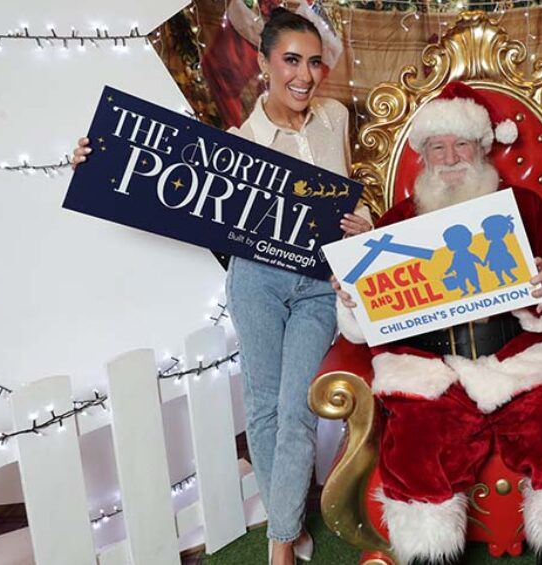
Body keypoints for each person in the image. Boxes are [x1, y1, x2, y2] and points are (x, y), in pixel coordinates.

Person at [72, 8, 371, 565]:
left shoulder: (335, 118)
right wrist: (96, 161)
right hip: (257, 281)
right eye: (290, 61)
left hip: (315, 286)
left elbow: (348, 201)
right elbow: (156, 178)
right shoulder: (239, 143)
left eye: (313, 62)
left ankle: (278, 541)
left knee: (296, 406)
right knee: (261, 406)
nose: (303, 75)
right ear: (263, 63)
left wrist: (363, 222)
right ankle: (289, 528)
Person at [333, 82, 542, 565]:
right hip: (432, 365)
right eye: (437, 146)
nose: (449, 157)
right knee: (418, 451)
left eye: (461, 144)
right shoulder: (396, 222)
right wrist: (354, 296)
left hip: (520, 358)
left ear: (483, 147)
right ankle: (429, 556)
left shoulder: (523, 207)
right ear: (422, 156)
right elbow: (367, 318)